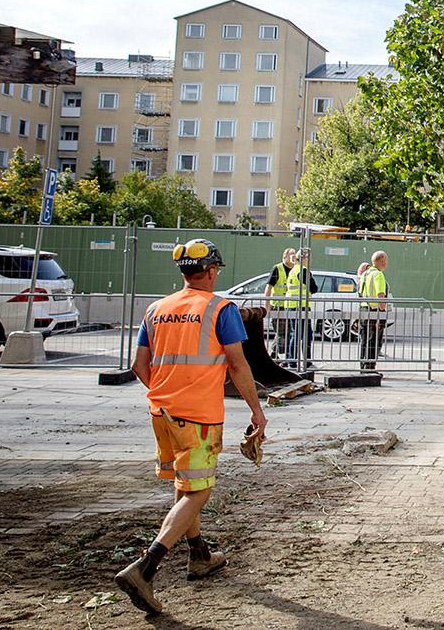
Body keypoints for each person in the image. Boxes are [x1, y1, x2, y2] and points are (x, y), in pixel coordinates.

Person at [115, 238, 267, 615]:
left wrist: (165, 393)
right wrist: (257, 412)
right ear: (212, 270)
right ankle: (145, 568)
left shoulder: (155, 310)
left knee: (185, 485)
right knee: (198, 493)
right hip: (198, 416)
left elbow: (139, 366)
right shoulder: (220, 308)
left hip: (161, 413)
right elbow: (237, 365)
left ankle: (200, 554)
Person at [281, 248, 319, 369]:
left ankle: (292, 361)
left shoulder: (294, 269)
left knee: (296, 334)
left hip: (292, 306)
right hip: (300, 307)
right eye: (309, 257)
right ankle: (300, 362)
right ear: (304, 258)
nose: (310, 260)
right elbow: (314, 288)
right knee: (304, 334)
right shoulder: (302, 271)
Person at [359, 250, 390, 371]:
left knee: (364, 340)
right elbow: (380, 295)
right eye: (385, 261)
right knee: (374, 341)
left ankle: (363, 366)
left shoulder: (365, 274)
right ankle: (370, 367)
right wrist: (381, 312)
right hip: (374, 311)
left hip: (363, 310)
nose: (386, 263)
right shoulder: (378, 275)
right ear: (382, 260)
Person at [264, 248, 296, 358]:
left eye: (294, 254)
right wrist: (266, 306)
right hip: (278, 306)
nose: (293, 257)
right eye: (291, 254)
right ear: (285, 256)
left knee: (287, 333)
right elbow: (268, 288)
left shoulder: (296, 269)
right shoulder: (278, 268)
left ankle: (276, 354)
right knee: (282, 332)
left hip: (290, 306)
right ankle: (276, 354)